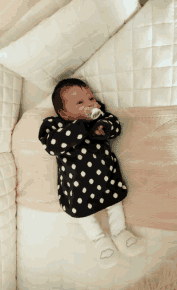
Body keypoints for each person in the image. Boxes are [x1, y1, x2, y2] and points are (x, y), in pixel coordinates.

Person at [38, 78, 145, 268]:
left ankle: (120, 232)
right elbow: (52, 145)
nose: (90, 104)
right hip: (76, 186)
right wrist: (81, 126)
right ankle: (98, 239)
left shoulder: (99, 117)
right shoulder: (54, 125)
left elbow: (116, 126)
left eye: (91, 98)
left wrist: (104, 128)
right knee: (81, 213)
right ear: (63, 112)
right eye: (80, 102)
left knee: (114, 203)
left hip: (105, 177)